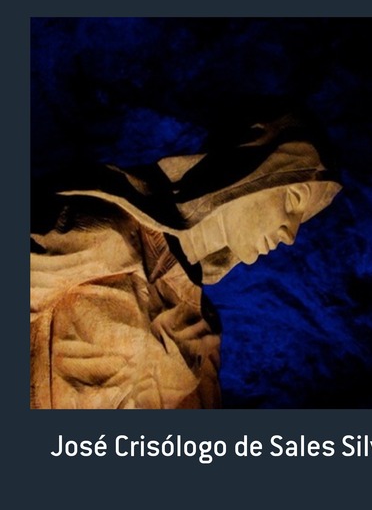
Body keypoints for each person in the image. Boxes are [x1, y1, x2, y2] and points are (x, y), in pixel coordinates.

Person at [30, 120, 341, 409]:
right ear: (252, 169)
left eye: (302, 219)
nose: (290, 234)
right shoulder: (106, 232)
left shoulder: (206, 331)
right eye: (293, 199)